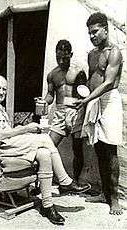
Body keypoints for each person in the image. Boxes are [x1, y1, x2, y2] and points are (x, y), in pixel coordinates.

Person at [0, 75, 91, 225]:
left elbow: (6, 133)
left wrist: (22, 130)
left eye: (4, 89)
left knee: (44, 153)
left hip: (7, 148)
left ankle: (47, 205)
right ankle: (65, 181)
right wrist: (24, 129)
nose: (1, 92)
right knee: (44, 139)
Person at [73, 12, 123, 215]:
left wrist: (87, 99)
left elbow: (109, 82)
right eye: (89, 33)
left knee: (110, 150)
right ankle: (104, 193)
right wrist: (83, 94)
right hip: (93, 101)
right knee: (99, 149)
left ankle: (115, 199)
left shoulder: (115, 53)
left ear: (105, 29)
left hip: (109, 101)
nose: (92, 36)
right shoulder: (92, 54)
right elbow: (92, 79)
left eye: (95, 32)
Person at [44, 39, 90, 186]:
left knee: (77, 149)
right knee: (48, 147)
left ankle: (75, 182)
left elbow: (84, 93)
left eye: (65, 57)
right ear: (55, 54)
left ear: (71, 54)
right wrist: (43, 102)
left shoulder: (78, 71)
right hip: (59, 112)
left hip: (76, 111)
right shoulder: (52, 75)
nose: (62, 60)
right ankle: (46, 180)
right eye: (59, 57)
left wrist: (79, 108)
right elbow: (50, 95)